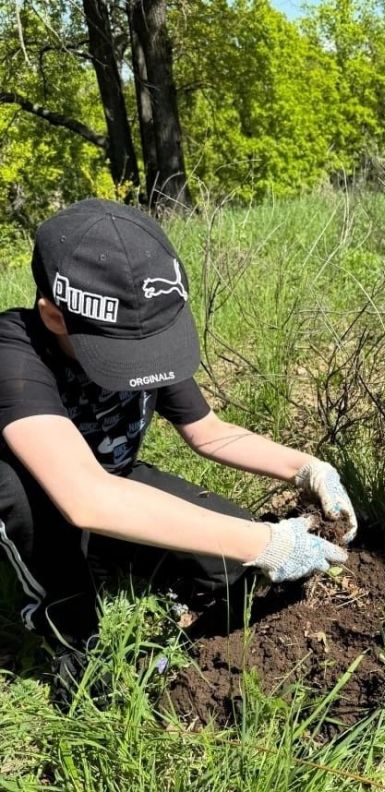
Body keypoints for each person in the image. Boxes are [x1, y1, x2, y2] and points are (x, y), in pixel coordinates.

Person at [0, 198, 356, 672]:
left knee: (230, 568)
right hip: (40, 497)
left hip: (113, 480)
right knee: (26, 501)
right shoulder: (13, 354)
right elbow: (84, 496)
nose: (140, 363)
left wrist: (306, 467)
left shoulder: (140, 326)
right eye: (121, 354)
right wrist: (262, 541)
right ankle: (68, 634)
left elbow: (208, 432)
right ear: (54, 316)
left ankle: (111, 552)